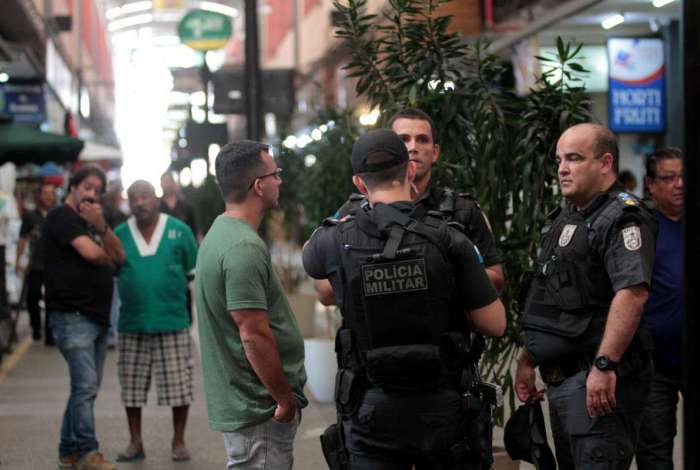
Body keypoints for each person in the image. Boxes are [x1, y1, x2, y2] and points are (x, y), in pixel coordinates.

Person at [303, 129, 506, 469]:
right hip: (442, 409)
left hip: (370, 408)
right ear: (410, 170)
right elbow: (495, 324)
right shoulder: (450, 239)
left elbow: (317, 275)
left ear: (358, 182)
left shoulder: (334, 239)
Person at [515, 123, 657, 470]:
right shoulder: (569, 216)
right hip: (565, 382)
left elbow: (632, 293)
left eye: (574, 159)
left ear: (605, 162)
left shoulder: (623, 217)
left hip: (598, 384)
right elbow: (552, 297)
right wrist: (529, 357)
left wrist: (605, 365)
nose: (562, 168)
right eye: (560, 159)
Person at [315, 108, 504, 305]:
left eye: (422, 140)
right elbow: (323, 292)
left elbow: (496, 282)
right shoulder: (354, 211)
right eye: (403, 139)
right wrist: (379, 276)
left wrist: (441, 271)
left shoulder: (463, 209)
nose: (413, 147)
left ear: (435, 152)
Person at [195, 140, 308, 470]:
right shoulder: (241, 247)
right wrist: (284, 399)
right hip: (259, 408)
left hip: (249, 404)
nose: (280, 181)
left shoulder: (222, 232)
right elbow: (253, 335)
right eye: (276, 174)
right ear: (258, 186)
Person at [43, 164, 125, 470]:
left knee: (84, 387)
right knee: (86, 386)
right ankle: (88, 452)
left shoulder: (94, 221)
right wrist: (104, 251)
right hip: (72, 316)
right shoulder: (60, 217)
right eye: (87, 187)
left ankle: (68, 450)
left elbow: (120, 256)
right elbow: (93, 255)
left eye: (97, 191)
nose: (92, 194)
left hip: (98, 317)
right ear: (73, 187)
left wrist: (101, 227)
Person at [113, 180, 198, 463]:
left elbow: (191, 271)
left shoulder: (179, 230)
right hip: (132, 323)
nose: (139, 203)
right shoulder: (120, 234)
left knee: (179, 386)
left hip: (172, 320)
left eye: (145, 196)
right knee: (132, 388)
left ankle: (179, 440)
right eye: (133, 198)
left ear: (156, 199)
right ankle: (135, 442)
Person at [635, 148, 684, 470]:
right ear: (651, 184)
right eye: (669, 178)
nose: (679, 184)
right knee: (654, 450)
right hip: (654, 363)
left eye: (684, 177)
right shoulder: (641, 228)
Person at [16, 182, 56, 344]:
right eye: (46, 193)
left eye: (51, 193)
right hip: (35, 263)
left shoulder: (57, 214)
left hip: (53, 264)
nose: (49, 196)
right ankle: (36, 327)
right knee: (33, 297)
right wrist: (19, 261)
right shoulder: (30, 216)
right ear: (39, 196)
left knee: (52, 299)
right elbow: (22, 239)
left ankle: (50, 333)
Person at [160, 171, 197, 237]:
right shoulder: (157, 207)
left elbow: (194, 230)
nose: (166, 184)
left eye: (168, 181)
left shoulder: (187, 207)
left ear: (173, 183)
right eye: (163, 182)